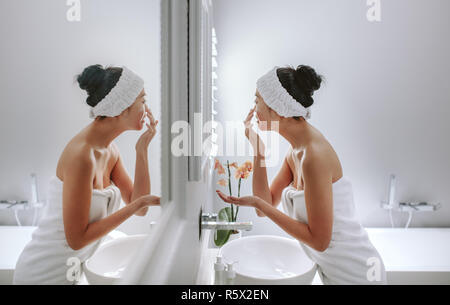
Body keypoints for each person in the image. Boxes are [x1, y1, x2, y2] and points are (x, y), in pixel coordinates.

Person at [217, 65, 387, 285]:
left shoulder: (314, 157)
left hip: (358, 274)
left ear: (276, 108)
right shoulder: (296, 151)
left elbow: (319, 241)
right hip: (336, 272)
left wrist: (259, 204)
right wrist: (258, 152)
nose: (254, 108)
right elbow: (265, 205)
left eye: (257, 100)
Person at [13, 65, 160, 284]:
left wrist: (142, 151)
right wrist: (137, 205)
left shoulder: (109, 150)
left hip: (72, 272)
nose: (146, 109)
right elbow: (77, 239)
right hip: (42, 274)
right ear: (122, 107)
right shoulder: (82, 157)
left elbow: (141, 207)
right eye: (142, 100)